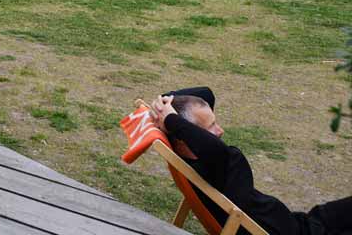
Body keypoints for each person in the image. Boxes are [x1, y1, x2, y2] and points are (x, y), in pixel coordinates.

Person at [150, 90, 351, 235]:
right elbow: (215, 149)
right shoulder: (218, 161)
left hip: (301, 223)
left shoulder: (192, 159)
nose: (220, 131)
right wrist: (172, 121)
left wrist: (166, 103)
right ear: (186, 135)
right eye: (211, 127)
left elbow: (206, 93)